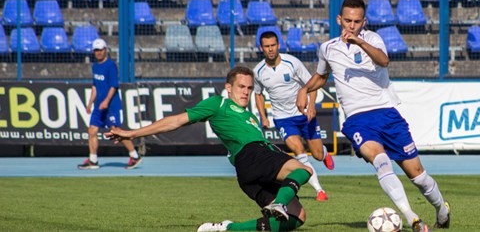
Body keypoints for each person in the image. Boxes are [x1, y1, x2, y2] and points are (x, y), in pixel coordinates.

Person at [295, 0, 450, 232]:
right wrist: (305, 89)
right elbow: (322, 75)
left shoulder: (373, 39)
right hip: (357, 119)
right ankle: (413, 219)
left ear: (364, 21)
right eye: (348, 21)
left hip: (387, 114)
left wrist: (359, 42)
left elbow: (384, 61)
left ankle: (442, 210)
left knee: (418, 176)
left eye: (357, 21)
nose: (352, 25)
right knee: (381, 161)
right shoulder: (327, 48)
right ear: (340, 19)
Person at [105, 66, 313, 232]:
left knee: (297, 217)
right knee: (304, 170)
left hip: (247, 172)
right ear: (228, 87)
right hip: (253, 154)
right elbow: (175, 121)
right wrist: (132, 134)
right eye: (241, 87)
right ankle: (278, 204)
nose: (246, 92)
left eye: (249, 88)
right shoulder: (218, 104)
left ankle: (228, 228)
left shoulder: (250, 117)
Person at [253, 31, 335, 202]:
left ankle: (325, 154)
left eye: (273, 45)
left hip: (303, 114)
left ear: (278, 45)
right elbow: (258, 94)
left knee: (317, 154)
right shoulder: (258, 71)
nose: (270, 49)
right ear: (261, 48)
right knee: (299, 151)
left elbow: (311, 84)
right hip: (283, 118)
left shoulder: (292, 63)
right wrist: (264, 116)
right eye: (267, 46)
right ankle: (320, 190)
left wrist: (312, 105)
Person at [78, 38, 142, 170]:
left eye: (101, 50)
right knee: (92, 131)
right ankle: (93, 160)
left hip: (111, 106)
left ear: (106, 50)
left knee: (116, 131)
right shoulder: (95, 66)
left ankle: (134, 156)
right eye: (96, 50)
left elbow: (114, 86)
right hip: (98, 106)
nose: (99, 53)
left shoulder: (110, 66)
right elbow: (95, 86)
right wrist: (90, 103)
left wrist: (106, 101)